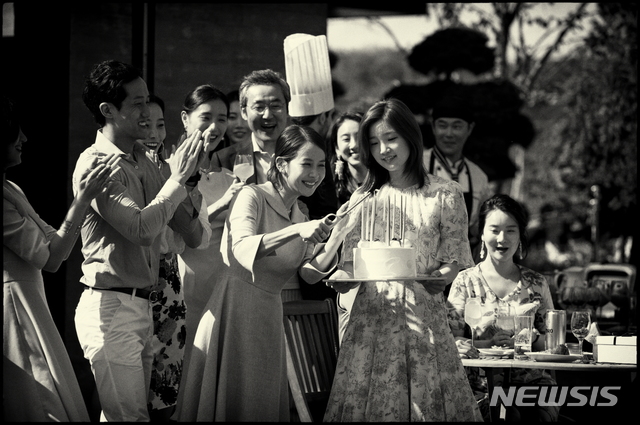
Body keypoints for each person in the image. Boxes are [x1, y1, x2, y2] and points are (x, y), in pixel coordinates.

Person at [322, 98, 483, 421]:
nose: (384, 149)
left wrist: (443, 276)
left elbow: (455, 257)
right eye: (374, 142)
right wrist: (342, 277)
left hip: (423, 319)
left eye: (391, 138)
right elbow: (349, 261)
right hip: (370, 322)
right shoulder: (364, 197)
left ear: (411, 136)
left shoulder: (445, 193)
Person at [174, 125, 344, 421]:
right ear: (281, 164)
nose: (315, 174)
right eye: (307, 164)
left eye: (320, 165)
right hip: (234, 313)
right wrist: (297, 231)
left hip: (269, 318)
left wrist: (338, 237)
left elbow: (309, 274)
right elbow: (241, 248)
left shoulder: (300, 213)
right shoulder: (251, 196)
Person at [72, 60, 205, 422]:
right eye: (137, 103)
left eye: (148, 100)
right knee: (128, 417)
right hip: (111, 306)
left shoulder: (144, 159)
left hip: (144, 305)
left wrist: (182, 176)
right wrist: (176, 179)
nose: (147, 111)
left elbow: (191, 233)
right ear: (108, 111)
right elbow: (142, 229)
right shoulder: (95, 163)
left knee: (129, 414)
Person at [2, 95, 115, 421]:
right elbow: (50, 259)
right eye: (15, 131)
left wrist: (84, 203)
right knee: (39, 401)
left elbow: (56, 244)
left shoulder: (13, 190)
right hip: (15, 309)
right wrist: (82, 201)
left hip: (30, 302)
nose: (24, 139)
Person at [447, 194, 559, 422]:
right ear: (482, 233)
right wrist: (480, 343)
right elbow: (451, 340)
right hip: (478, 387)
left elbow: (554, 343)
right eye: (494, 229)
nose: (502, 238)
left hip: (534, 385)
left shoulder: (537, 283)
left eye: (510, 230)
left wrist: (526, 340)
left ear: (520, 235)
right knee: (505, 416)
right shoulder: (464, 281)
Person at [139, 94, 211, 420]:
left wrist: (180, 179)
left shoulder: (172, 170)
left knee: (168, 386)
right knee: (132, 390)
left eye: (160, 124)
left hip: (169, 281)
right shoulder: (126, 171)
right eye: (145, 124)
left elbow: (193, 234)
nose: (154, 133)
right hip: (137, 280)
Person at [174, 84, 245, 387]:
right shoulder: (169, 172)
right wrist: (224, 205)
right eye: (206, 117)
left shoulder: (229, 175)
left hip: (225, 282)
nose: (215, 127)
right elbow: (181, 228)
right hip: (187, 282)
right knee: (186, 365)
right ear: (185, 119)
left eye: (222, 118)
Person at [423, 96, 491, 264]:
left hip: (463, 266)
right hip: (425, 263)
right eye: (442, 125)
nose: (449, 133)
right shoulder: (417, 166)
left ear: (470, 129)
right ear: (433, 127)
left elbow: (479, 229)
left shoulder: (478, 176)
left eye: (457, 126)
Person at [326, 111, 367, 341]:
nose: (353, 145)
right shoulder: (328, 190)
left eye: (359, 136)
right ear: (335, 147)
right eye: (345, 138)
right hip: (338, 286)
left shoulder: (387, 186)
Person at [209, 69, 290, 185]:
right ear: (244, 112)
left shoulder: (305, 154)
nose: (267, 115)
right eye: (259, 107)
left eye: (275, 106)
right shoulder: (224, 160)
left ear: (287, 109)